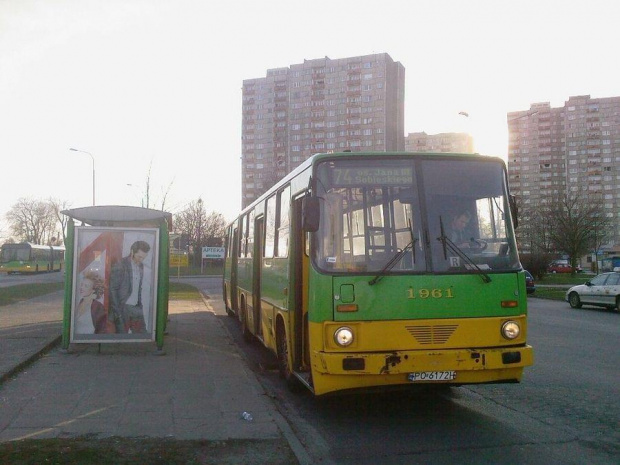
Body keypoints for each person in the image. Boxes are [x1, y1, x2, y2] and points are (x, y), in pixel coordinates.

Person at [109, 240, 151, 334]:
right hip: (123, 307)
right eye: (139, 256)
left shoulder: (141, 266)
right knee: (121, 336)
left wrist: (140, 305)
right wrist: (118, 312)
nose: (141, 260)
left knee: (142, 334)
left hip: (136, 307)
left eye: (143, 258)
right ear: (132, 251)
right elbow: (112, 289)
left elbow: (137, 287)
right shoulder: (121, 264)